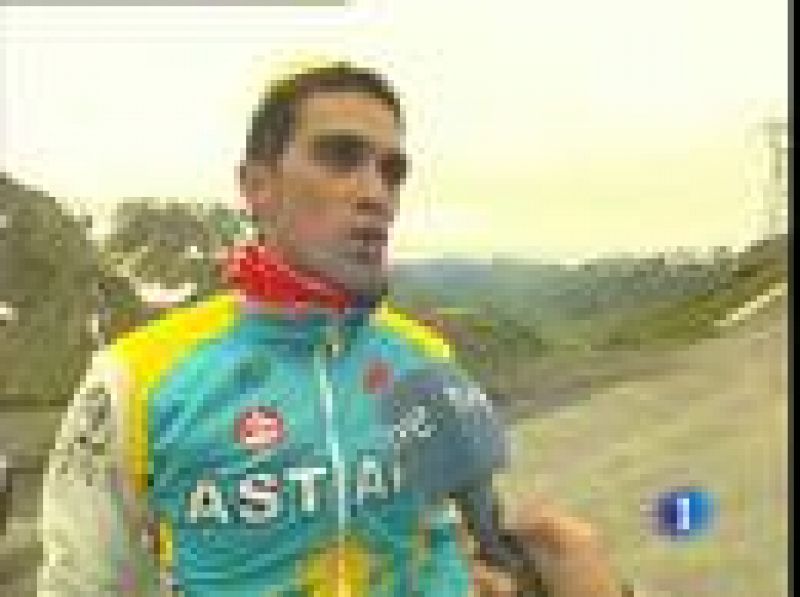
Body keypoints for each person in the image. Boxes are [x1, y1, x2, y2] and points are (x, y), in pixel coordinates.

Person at [38, 62, 632, 596]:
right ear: (257, 186)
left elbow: (471, 535)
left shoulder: (425, 357)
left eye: (391, 172)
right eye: (341, 157)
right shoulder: (133, 378)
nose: (377, 193)